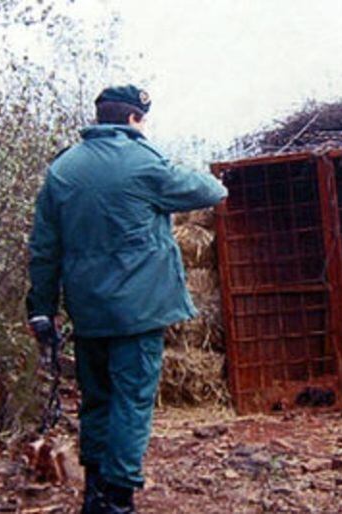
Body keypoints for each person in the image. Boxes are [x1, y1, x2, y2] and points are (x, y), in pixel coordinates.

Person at [26, 85, 228, 513]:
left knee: (96, 401)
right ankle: (117, 501)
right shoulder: (143, 161)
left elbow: (44, 248)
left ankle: (95, 494)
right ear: (135, 119)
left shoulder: (63, 169)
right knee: (132, 404)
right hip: (138, 313)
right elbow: (209, 192)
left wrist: (40, 310)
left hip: (88, 312)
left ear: (100, 118)